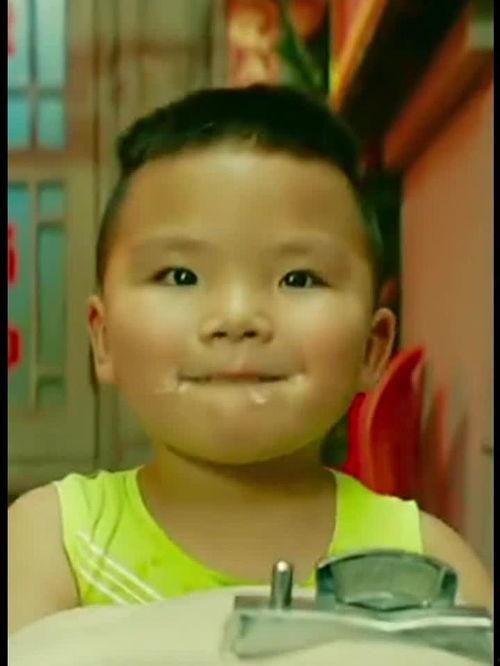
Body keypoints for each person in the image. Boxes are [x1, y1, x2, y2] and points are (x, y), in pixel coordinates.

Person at [8, 85, 492, 637]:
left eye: (299, 278)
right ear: (104, 339)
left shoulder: (427, 566)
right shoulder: (53, 543)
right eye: (181, 276)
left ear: (372, 347)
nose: (237, 317)